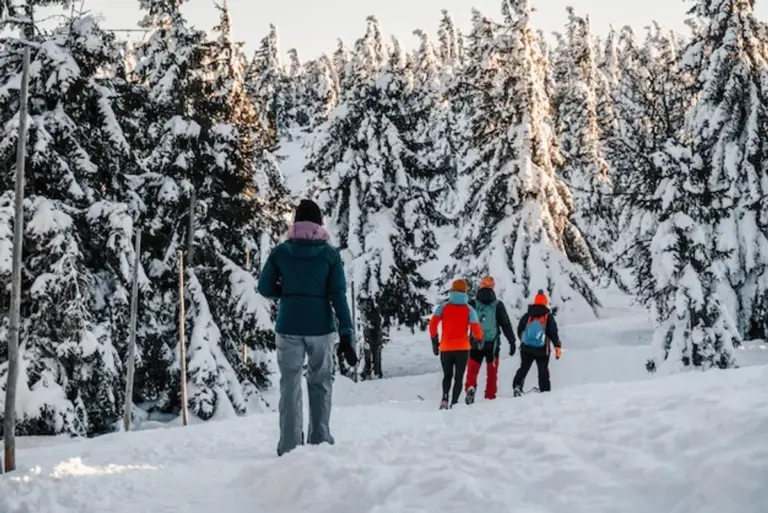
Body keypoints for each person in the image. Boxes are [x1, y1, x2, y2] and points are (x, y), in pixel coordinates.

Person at [257, 199, 358, 456]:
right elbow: (338, 296)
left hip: (288, 325)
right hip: (321, 327)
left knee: (289, 384)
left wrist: (288, 293)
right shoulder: (329, 254)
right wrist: (346, 334)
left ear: (295, 222)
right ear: (319, 223)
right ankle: (320, 439)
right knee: (320, 382)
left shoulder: (281, 252)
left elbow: (265, 288)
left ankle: (289, 445)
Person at [429, 279, 483, 409]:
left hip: (446, 347)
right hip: (463, 348)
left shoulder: (443, 307)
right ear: (465, 292)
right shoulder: (469, 310)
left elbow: (432, 325)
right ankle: (454, 403)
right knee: (458, 377)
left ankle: (444, 398)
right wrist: (479, 340)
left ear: (452, 290)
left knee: (447, 375)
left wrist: (434, 340)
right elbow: (476, 329)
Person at [464, 276, 515, 403]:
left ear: (481, 286)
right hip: (492, 345)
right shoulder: (498, 305)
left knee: (472, 369)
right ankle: (490, 396)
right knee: (492, 372)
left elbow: (464, 323)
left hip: (475, 342)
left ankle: (470, 387)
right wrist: (512, 341)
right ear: (493, 287)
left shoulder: (473, 304)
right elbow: (505, 324)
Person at [513, 290, 562, 396]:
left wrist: (524, 340)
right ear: (545, 302)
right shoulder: (547, 316)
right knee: (543, 370)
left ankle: (517, 386)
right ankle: (545, 391)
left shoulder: (528, 315)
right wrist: (557, 346)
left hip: (526, 348)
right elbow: (553, 333)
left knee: (524, 368)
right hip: (542, 350)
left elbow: (520, 329)